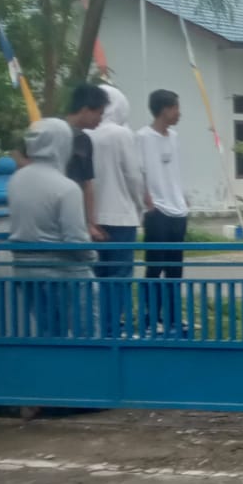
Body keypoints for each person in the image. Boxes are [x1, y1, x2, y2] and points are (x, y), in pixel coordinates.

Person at [8, 117, 94, 338]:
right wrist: (92, 255)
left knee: (49, 331)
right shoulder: (67, 188)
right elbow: (76, 241)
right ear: (62, 144)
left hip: (23, 269)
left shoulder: (16, 180)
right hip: (61, 270)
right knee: (86, 326)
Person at [88, 85, 144, 338]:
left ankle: (93, 328)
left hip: (89, 218)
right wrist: (141, 205)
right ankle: (111, 329)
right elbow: (133, 175)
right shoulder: (121, 134)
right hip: (121, 216)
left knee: (94, 275)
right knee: (119, 275)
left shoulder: (83, 133)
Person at [138, 89, 189, 337]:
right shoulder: (142, 137)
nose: (179, 113)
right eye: (176, 108)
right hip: (157, 210)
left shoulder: (175, 136)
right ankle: (150, 316)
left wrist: (183, 197)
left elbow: (176, 171)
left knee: (175, 268)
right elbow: (139, 172)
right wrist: (148, 202)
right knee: (154, 266)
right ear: (164, 109)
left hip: (178, 209)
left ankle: (172, 317)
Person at [62, 83, 109, 242]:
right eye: (99, 113)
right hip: (67, 211)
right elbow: (87, 184)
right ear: (85, 109)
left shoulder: (84, 140)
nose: (100, 120)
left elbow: (87, 183)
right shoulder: (79, 139)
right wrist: (90, 223)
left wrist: (91, 223)